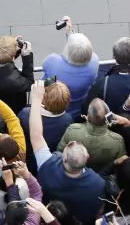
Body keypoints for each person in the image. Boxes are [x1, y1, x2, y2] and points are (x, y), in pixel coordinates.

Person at [28, 80, 105, 224]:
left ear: (64, 157)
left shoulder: (47, 165)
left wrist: (36, 100)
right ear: (87, 157)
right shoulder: (98, 184)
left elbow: (36, 136)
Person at [41, 19, 100, 117]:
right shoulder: (94, 62)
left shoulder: (53, 62)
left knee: (47, 82)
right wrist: (70, 33)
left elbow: (47, 72)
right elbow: (80, 51)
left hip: (55, 101)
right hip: (78, 106)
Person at [55, 98, 127, 170]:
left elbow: (60, 150)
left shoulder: (72, 129)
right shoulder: (117, 141)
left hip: (75, 169)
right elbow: (121, 164)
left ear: (88, 117)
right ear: (109, 118)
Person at [0, 35, 34, 113]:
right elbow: (29, 84)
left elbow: (3, 54)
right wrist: (26, 57)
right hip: (10, 108)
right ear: (12, 58)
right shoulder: (13, 81)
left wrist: (10, 44)